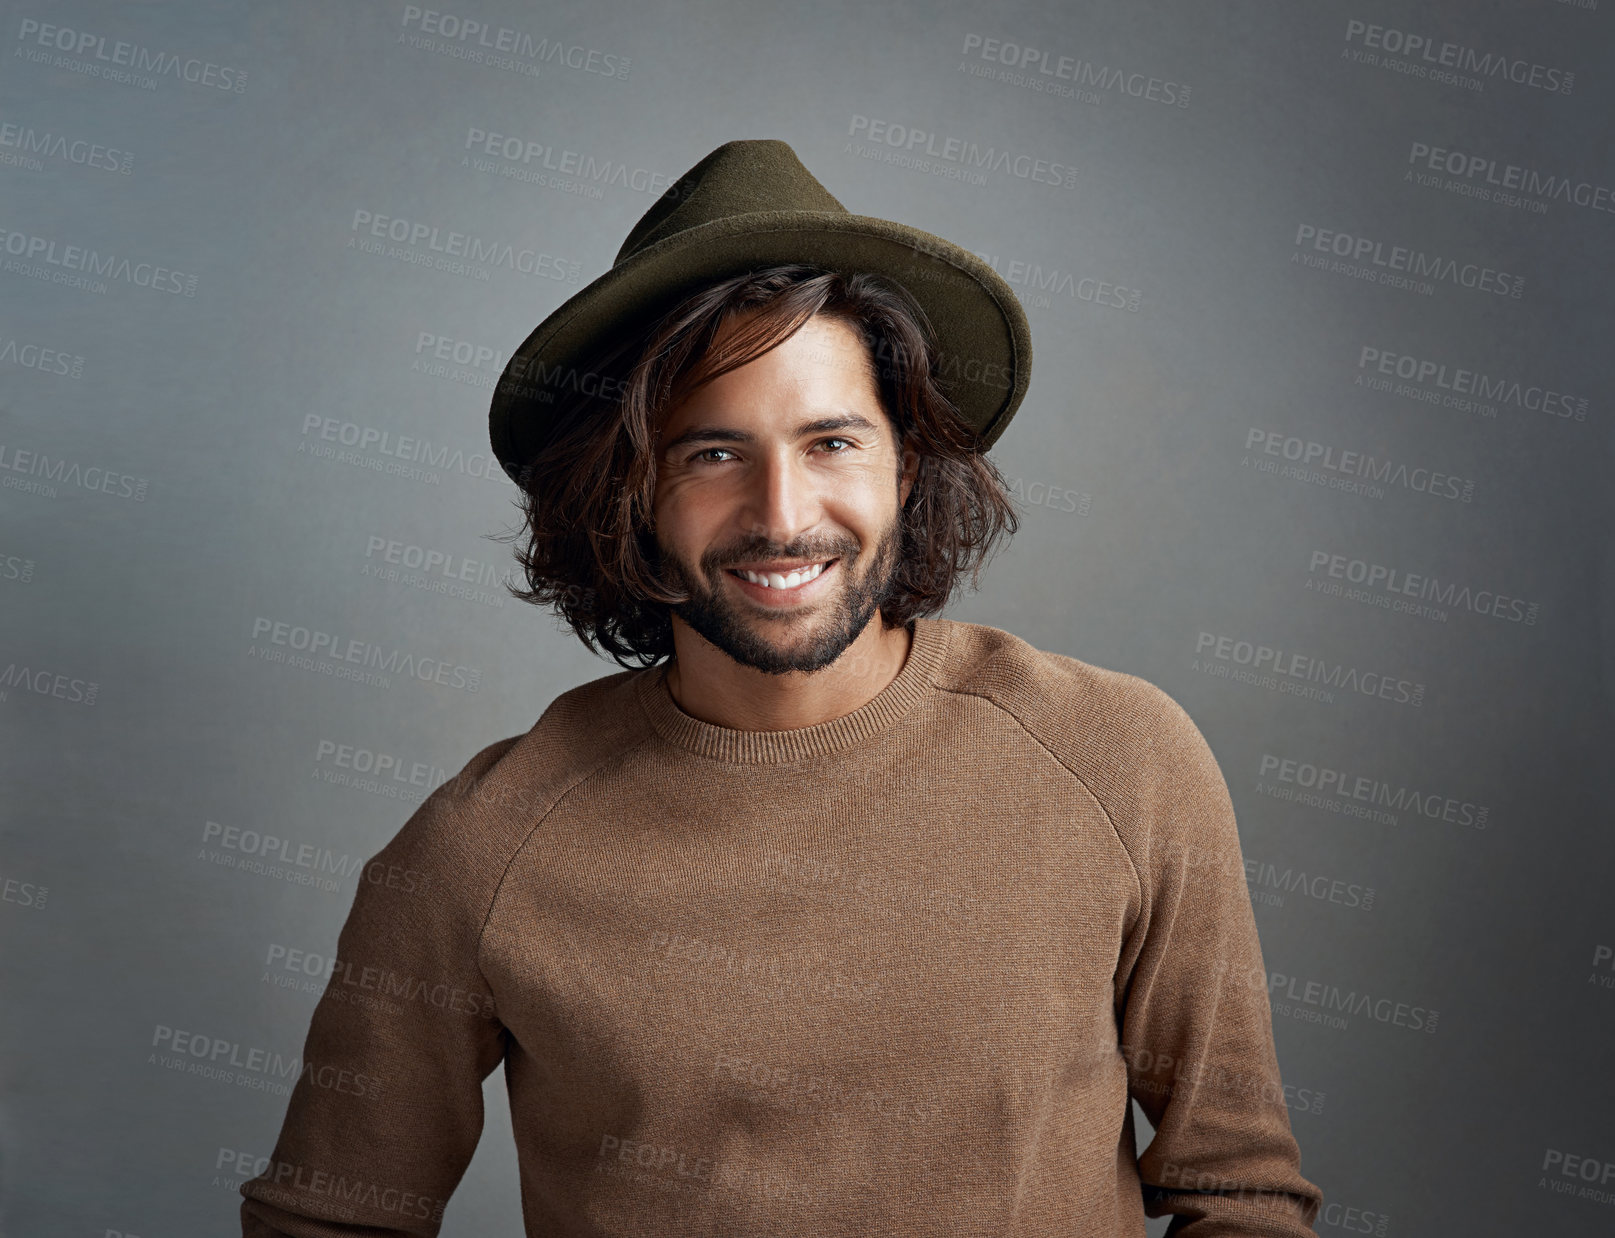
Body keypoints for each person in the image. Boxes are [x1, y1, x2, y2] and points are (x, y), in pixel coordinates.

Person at [241, 139, 1324, 1237]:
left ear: (908, 463)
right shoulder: (480, 850)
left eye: (832, 440)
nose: (781, 511)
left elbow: (1236, 1190)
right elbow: (330, 1219)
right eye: (711, 452)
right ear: (627, 492)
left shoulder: (1120, 758)